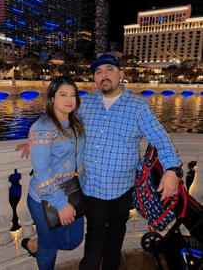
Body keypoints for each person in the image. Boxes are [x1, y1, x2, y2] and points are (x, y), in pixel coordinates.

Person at [17, 54, 182, 270]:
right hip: (90, 187)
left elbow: (160, 138)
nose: (104, 75)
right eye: (98, 72)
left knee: (115, 235)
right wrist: (38, 139)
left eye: (109, 70)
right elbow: (60, 117)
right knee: (93, 238)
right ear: (94, 78)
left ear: (120, 74)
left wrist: (172, 169)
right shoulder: (85, 103)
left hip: (122, 189)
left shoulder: (138, 106)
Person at [20, 76, 85, 270]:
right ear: (52, 98)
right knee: (49, 248)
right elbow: (41, 172)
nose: (69, 100)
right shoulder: (41, 128)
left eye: (73, 95)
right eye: (63, 94)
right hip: (46, 198)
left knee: (73, 241)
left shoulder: (76, 121)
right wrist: (61, 204)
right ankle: (41, 247)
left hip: (72, 191)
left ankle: (34, 244)